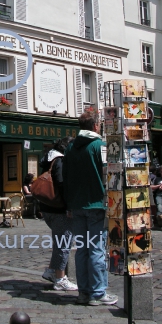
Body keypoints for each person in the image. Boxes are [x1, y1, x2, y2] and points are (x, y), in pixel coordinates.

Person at [63, 111, 118, 306]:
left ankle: (84, 292)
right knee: (96, 250)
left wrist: (69, 204)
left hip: (77, 205)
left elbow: (66, 178)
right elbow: (108, 174)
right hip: (96, 204)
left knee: (82, 250)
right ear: (95, 126)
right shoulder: (99, 146)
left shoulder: (70, 147)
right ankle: (98, 292)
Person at [39, 137, 78, 292]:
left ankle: (51, 271)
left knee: (60, 242)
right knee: (64, 244)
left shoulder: (47, 159)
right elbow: (62, 183)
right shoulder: (60, 161)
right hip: (59, 208)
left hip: (47, 207)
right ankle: (60, 279)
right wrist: (69, 206)